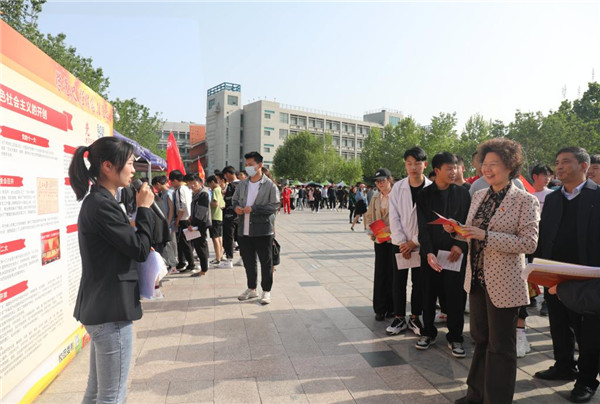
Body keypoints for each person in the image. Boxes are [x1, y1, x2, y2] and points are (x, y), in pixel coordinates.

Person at [450, 138, 539, 404]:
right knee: (480, 340)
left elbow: (529, 243)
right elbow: (472, 234)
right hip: (477, 279)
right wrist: (457, 230)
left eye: (494, 164)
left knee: (501, 346)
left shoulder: (525, 200)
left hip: (505, 284)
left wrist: (486, 236)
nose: (486, 169)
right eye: (484, 164)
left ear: (510, 166)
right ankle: (476, 395)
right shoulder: (479, 195)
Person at [68, 137, 155, 404]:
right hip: (111, 311)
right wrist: (144, 210)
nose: (134, 170)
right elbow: (139, 249)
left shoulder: (99, 201)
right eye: (129, 163)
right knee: (112, 395)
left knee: (96, 392)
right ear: (107, 166)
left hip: (102, 307)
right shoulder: (102, 204)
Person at [534, 147, 600, 404]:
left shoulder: (597, 196)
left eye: (566, 162)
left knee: (589, 330)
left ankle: (587, 380)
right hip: (555, 272)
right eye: (557, 162)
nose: (559, 167)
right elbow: (544, 234)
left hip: (588, 275)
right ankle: (564, 365)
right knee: (559, 322)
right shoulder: (553, 199)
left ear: (583, 166)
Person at [416, 152, 470, 357]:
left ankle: (455, 337)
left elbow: (469, 222)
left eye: (455, 168)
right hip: (431, 254)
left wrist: (459, 245)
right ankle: (427, 332)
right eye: (449, 168)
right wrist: (428, 252)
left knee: (456, 296)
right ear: (437, 170)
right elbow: (422, 227)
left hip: (455, 254)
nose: (453, 172)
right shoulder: (424, 195)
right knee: (428, 294)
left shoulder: (464, 194)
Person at [387, 146, 431, 335]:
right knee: (398, 282)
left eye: (417, 163)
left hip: (421, 245)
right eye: (409, 163)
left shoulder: (431, 189)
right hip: (399, 244)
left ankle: (415, 317)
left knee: (419, 282)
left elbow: (430, 220)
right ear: (405, 165)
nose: (413, 167)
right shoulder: (398, 188)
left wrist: (414, 242)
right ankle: (399, 317)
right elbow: (393, 216)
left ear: (425, 165)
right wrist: (402, 242)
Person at [233, 152, 280, 305]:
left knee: (266, 262)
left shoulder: (270, 185)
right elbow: (234, 201)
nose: (248, 167)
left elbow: (274, 206)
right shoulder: (242, 184)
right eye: (246, 164)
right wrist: (236, 208)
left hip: (263, 230)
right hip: (244, 229)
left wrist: (254, 209)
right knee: (248, 261)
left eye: (250, 164)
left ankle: (266, 291)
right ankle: (252, 288)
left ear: (259, 165)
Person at [364, 168, 396, 321]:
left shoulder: (397, 195)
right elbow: (369, 216)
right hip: (380, 240)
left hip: (395, 240)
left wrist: (391, 228)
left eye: (382, 180)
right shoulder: (375, 197)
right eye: (377, 182)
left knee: (393, 274)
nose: (380, 184)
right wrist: (371, 230)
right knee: (380, 273)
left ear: (389, 179)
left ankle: (393, 308)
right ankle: (380, 308)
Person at [530, 163, 555, 317]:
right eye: (544, 175)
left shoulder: (552, 195)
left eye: (549, 176)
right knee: (531, 268)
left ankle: (547, 301)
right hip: (531, 237)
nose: (548, 178)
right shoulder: (528, 195)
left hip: (546, 238)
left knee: (546, 269)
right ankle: (531, 297)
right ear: (535, 176)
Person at [169, 170, 195, 272]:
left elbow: (182, 206)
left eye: (171, 182)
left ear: (175, 180)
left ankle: (191, 264)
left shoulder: (180, 190)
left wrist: (177, 219)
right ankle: (182, 262)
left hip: (183, 219)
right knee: (181, 242)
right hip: (187, 218)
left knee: (185, 243)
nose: (171, 184)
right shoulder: (186, 188)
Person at [151, 175, 178, 273]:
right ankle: (171, 263)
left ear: (158, 184)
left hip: (169, 223)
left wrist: (168, 222)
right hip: (166, 222)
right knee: (168, 244)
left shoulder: (168, 193)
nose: (155, 188)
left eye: (155, 186)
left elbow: (171, 209)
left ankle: (173, 265)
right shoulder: (163, 193)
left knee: (169, 244)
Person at [187, 175, 211, 277]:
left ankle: (204, 270)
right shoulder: (196, 194)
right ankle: (204, 267)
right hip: (197, 223)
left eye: (194, 183)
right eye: (190, 184)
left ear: (200, 183)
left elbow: (201, 212)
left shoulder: (203, 194)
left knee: (201, 247)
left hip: (201, 224)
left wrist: (193, 224)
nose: (192, 185)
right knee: (199, 246)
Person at [220, 166, 239, 268]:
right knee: (240, 238)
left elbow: (229, 200)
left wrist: (224, 196)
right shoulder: (243, 184)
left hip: (230, 216)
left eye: (225, 176)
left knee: (229, 238)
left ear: (228, 174)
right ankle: (243, 258)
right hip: (240, 216)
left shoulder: (231, 185)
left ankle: (229, 260)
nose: (226, 178)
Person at [206, 174, 225, 266]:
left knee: (215, 238)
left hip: (214, 216)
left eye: (209, 184)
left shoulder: (215, 190)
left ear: (213, 182)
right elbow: (222, 204)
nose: (209, 186)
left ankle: (218, 258)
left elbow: (215, 203)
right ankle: (220, 255)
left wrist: (207, 204)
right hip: (219, 216)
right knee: (219, 237)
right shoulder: (220, 189)